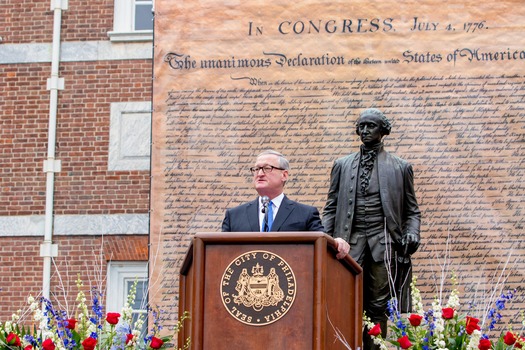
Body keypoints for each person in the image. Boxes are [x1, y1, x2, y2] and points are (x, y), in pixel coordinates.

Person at [322, 108, 421, 350]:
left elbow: (412, 211)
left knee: (378, 305)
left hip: (383, 243)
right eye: (361, 126)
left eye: (371, 126)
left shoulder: (401, 167)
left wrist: (412, 232)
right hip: (348, 244)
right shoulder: (342, 165)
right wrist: (324, 242)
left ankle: (374, 347)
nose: (365, 131)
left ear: (383, 131)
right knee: (345, 301)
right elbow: (331, 208)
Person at [222, 150, 324, 232]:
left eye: (267, 168)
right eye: (256, 169)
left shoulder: (306, 214)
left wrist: (336, 243)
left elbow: (322, 245)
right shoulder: (234, 216)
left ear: (284, 175)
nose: (260, 173)